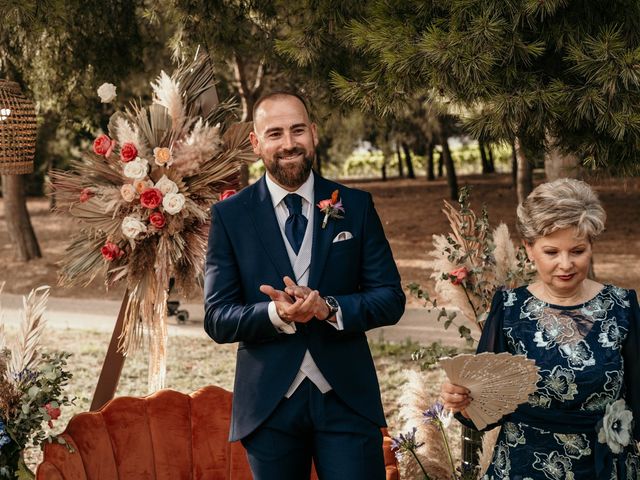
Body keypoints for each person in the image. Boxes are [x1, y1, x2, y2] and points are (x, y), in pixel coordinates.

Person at [204, 91, 405, 479]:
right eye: (275, 133)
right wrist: (275, 313)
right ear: (256, 142)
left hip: (347, 397)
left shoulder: (356, 206)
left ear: (313, 133)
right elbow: (217, 317)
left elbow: (390, 298)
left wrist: (327, 308)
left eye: (298, 130)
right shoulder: (230, 216)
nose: (289, 143)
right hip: (269, 406)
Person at [441, 178, 640, 479]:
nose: (565, 264)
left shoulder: (623, 306)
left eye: (577, 251)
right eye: (551, 252)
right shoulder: (508, 308)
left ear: (591, 246)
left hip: (605, 469)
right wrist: (460, 402)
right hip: (524, 466)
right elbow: (483, 410)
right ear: (529, 249)